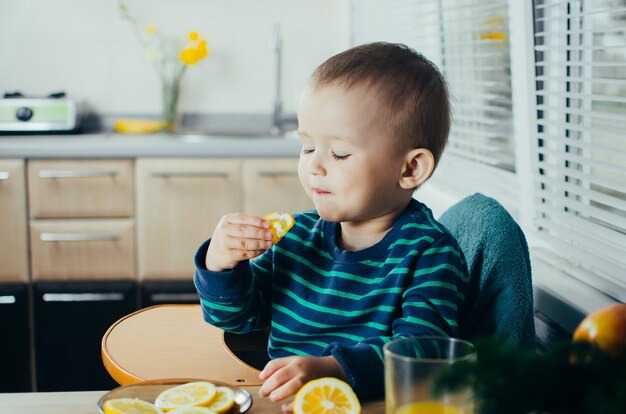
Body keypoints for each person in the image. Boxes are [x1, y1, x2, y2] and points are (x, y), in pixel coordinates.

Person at [193, 42, 469, 411]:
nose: (314, 167)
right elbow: (236, 319)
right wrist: (221, 263)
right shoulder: (295, 238)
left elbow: (424, 353)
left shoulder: (429, 251)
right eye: (307, 148)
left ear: (410, 169)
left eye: (338, 153)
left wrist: (334, 370)